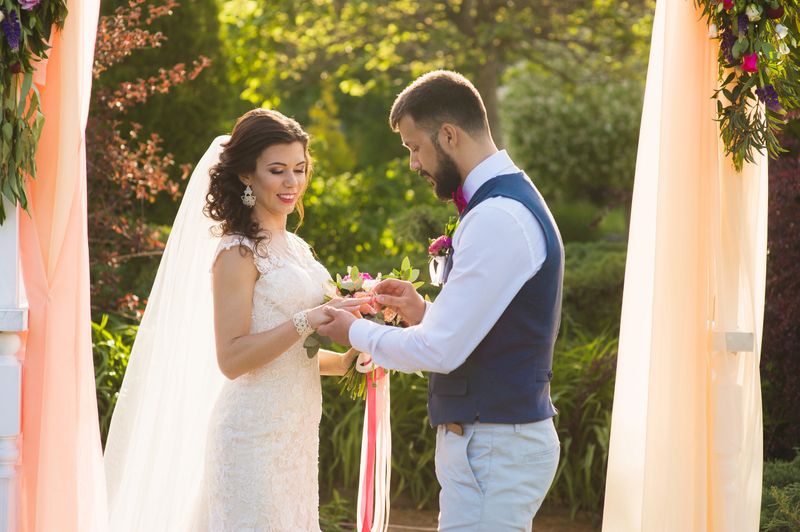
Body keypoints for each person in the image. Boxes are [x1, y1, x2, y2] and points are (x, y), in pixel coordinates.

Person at [318, 70, 564, 531]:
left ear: (448, 135)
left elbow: (442, 352)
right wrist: (422, 312)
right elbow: (478, 330)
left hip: (495, 449)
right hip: (488, 446)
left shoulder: (497, 216)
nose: (413, 162)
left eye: (415, 147)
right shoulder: (498, 204)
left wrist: (351, 330)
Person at [104, 109, 365, 531]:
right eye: (277, 170)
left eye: (299, 169)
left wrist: (350, 360)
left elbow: (293, 358)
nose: (292, 183)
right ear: (246, 175)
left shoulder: (297, 248)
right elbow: (232, 358)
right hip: (251, 439)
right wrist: (308, 319)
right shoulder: (237, 253)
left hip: (295, 440)